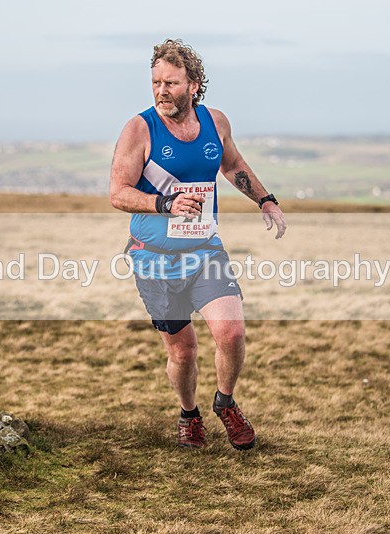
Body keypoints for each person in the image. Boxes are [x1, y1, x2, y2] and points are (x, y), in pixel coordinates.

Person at [109, 39, 286, 450]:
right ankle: (189, 414)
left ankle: (225, 402)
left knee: (232, 333)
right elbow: (118, 193)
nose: (161, 91)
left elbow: (233, 164)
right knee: (183, 352)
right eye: (155, 82)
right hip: (154, 259)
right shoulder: (140, 129)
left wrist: (265, 199)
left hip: (205, 250)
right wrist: (165, 203)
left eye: (170, 82)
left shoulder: (215, 122)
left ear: (193, 85)